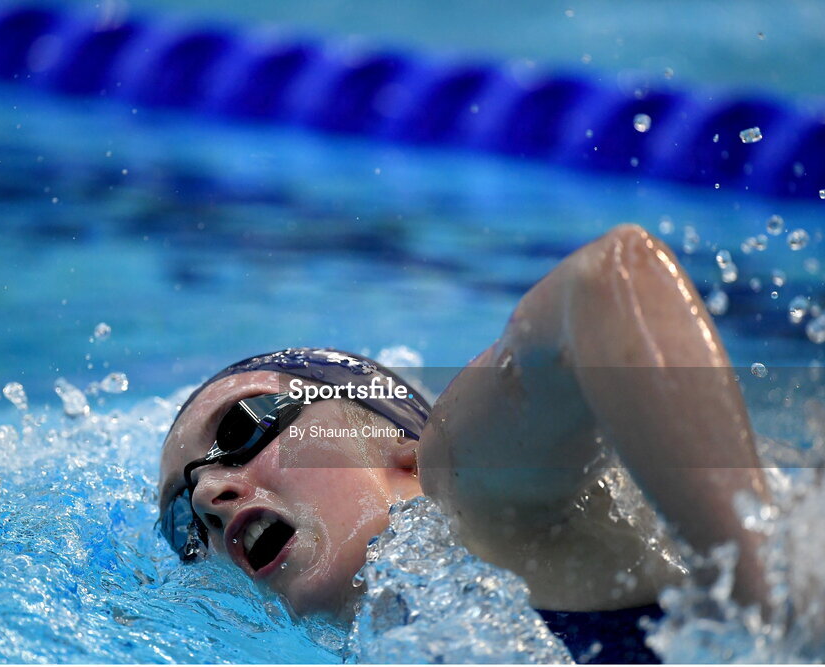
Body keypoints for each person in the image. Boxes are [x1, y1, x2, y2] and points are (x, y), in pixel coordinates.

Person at [157, 224, 770, 663]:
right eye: (181, 522)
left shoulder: (464, 492)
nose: (209, 493)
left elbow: (611, 278)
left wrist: (757, 593)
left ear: (399, 446)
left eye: (240, 428)